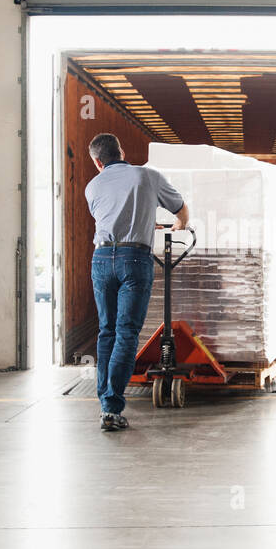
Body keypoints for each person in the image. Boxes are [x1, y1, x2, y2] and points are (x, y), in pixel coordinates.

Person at [85, 133, 189, 430]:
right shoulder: (148, 176)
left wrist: (140, 221)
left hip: (102, 259)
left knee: (106, 331)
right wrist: (181, 224)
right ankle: (111, 408)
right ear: (122, 150)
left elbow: (112, 216)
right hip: (134, 259)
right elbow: (180, 208)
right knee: (126, 333)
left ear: (97, 162)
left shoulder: (92, 187)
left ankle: (106, 402)